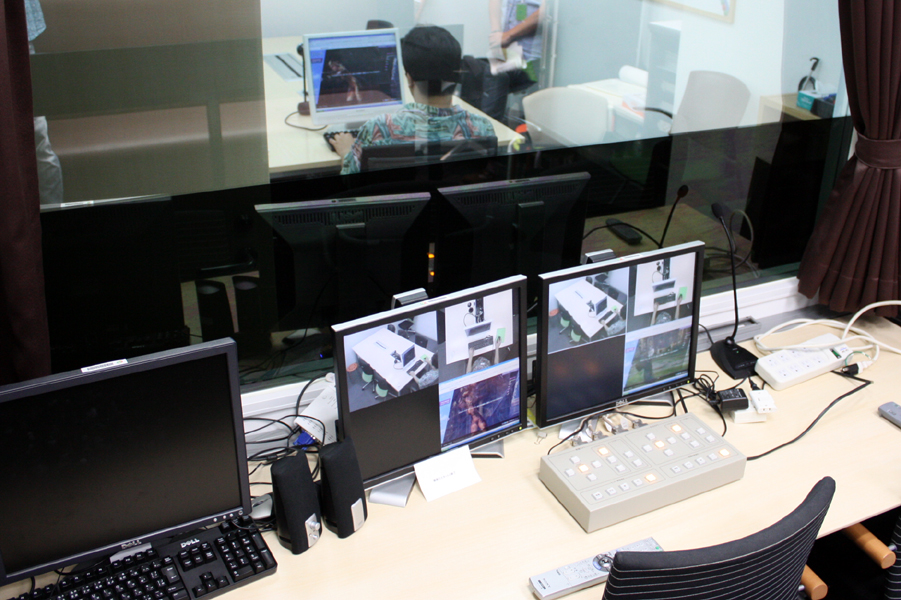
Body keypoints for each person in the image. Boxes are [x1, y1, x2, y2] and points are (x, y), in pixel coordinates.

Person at [328, 25, 495, 175]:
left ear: (409, 79)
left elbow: (351, 184)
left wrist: (346, 152)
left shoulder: (379, 128)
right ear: (458, 74)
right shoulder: (482, 128)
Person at [25, 0, 64, 205]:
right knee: (37, 142)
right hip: (19, 33)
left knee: (37, 140)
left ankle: (52, 214)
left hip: (16, 36)